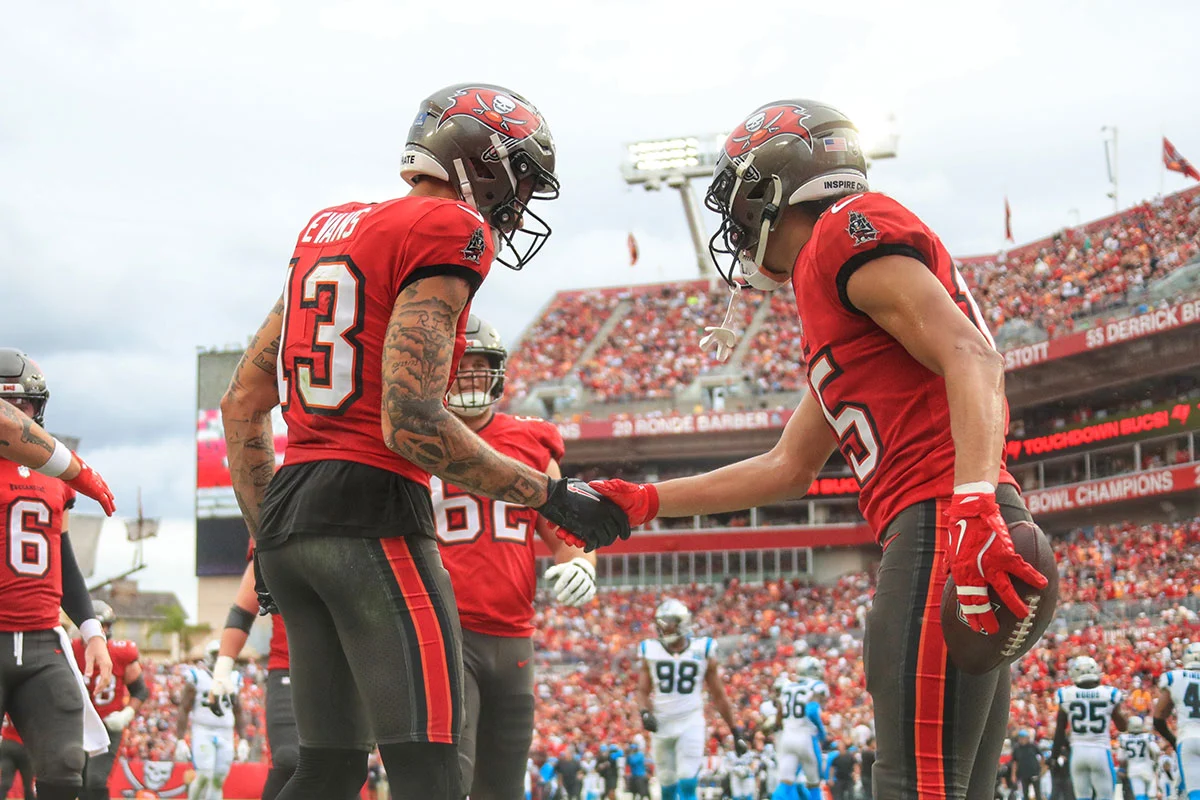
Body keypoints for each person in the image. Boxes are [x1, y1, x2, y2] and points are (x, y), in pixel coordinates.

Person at [580, 99, 1050, 800]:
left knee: (913, 784)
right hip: (957, 520)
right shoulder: (838, 286)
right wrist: (645, 500)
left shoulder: (840, 235)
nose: (734, 223)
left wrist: (972, 505)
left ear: (772, 188)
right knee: (956, 788)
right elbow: (787, 466)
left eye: (737, 198)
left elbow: (974, 357)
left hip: (943, 525)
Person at [219, 83, 627, 800]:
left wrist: (267, 535)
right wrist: (552, 496)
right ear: (484, 162)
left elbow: (241, 404)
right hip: (371, 516)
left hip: (290, 521)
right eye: (522, 175)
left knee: (329, 768)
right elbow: (410, 419)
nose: (522, 196)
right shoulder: (449, 228)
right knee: (432, 772)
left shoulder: (327, 227)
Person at [432, 315, 597, 799]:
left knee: (502, 786)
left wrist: (581, 564)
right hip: (447, 631)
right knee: (449, 779)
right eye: (458, 367)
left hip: (514, 635)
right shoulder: (413, 438)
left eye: (478, 367)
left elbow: (567, 527)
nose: (467, 377)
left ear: (498, 373)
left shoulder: (531, 439)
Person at [0, 348, 114, 800]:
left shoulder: (54, 476)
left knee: (67, 768)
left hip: (44, 643)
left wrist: (93, 632)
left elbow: (62, 560)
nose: (16, 418)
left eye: (23, 406)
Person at [637, 599, 746, 800]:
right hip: (661, 724)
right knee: (667, 786)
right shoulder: (650, 650)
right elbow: (642, 691)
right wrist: (644, 713)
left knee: (688, 780)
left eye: (668, 624)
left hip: (690, 721)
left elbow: (718, 694)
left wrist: (735, 729)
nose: (664, 629)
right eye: (662, 624)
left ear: (682, 624)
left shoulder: (701, 649)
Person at [212, 542, 295, 800]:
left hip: (346, 667)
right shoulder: (277, 527)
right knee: (289, 759)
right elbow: (242, 611)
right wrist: (222, 669)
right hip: (290, 666)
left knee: (344, 766)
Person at [74, 600, 148, 800]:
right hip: (77, 725)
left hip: (108, 724)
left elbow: (140, 691)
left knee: (96, 781)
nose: (101, 631)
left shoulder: (121, 652)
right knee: (76, 781)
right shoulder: (71, 650)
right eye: (98, 625)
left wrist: (126, 714)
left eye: (104, 625)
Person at [175, 641, 244, 800]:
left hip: (226, 731)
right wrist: (180, 739)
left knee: (218, 779)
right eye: (216, 655)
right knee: (204, 775)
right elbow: (184, 708)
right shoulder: (197, 677)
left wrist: (243, 739)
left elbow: (238, 710)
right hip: (203, 730)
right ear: (208, 657)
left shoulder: (234, 678)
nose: (220, 659)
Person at [1051, 657, 1126, 800]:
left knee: (1082, 797)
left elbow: (1060, 730)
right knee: (1105, 797)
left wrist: (1054, 756)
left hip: (1078, 752)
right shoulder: (1109, 694)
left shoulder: (1066, 694)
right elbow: (1122, 726)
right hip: (1100, 751)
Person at [773, 656, 829, 800]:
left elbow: (778, 714)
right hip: (805, 736)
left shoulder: (787, 687)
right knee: (814, 782)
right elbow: (811, 710)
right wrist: (822, 732)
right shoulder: (815, 685)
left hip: (787, 737)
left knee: (785, 782)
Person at [1154, 640, 1200, 800]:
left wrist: (1173, 740)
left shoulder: (1175, 677)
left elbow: (1158, 719)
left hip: (1187, 738)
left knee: (1194, 793)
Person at [1116, 717, 1159, 800]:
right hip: (1147, 768)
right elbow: (1156, 750)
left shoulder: (1124, 738)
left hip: (1133, 769)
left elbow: (1120, 757)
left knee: (1140, 796)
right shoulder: (1147, 737)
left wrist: (1122, 769)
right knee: (1149, 795)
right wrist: (1154, 761)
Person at [0, 717, 36, 799]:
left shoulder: (6, 706)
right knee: (28, 786)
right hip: (24, 747)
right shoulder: (26, 709)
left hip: (7, 745)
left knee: (5, 783)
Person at [1010, 730, 1044, 800]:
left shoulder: (1033, 746)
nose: (1022, 739)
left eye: (1023, 738)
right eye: (1020, 738)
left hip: (1034, 772)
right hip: (1023, 773)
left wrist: (1041, 768)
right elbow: (1014, 762)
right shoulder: (1017, 748)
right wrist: (1013, 775)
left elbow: (1042, 757)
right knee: (1025, 793)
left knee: (1037, 793)